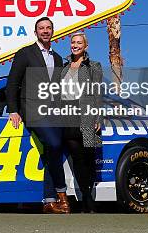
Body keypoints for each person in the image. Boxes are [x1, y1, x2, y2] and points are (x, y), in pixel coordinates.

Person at [5, 17, 68, 214]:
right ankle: (62, 194)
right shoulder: (25, 53)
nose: (45, 31)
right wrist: (13, 110)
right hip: (32, 111)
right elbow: (13, 82)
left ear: (53, 31)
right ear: (36, 32)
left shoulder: (57, 58)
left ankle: (50, 201)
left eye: (48, 28)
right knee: (54, 145)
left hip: (53, 113)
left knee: (53, 152)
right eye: (41, 28)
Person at [60, 31, 103, 213]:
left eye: (79, 43)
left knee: (88, 157)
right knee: (77, 158)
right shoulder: (63, 67)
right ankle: (85, 196)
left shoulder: (94, 66)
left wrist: (98, 116)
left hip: (86, 114)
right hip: (67, 115)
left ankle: (89, 196)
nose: (75, 45)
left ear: (85, 46)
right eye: (73, 42)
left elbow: (97, 93)